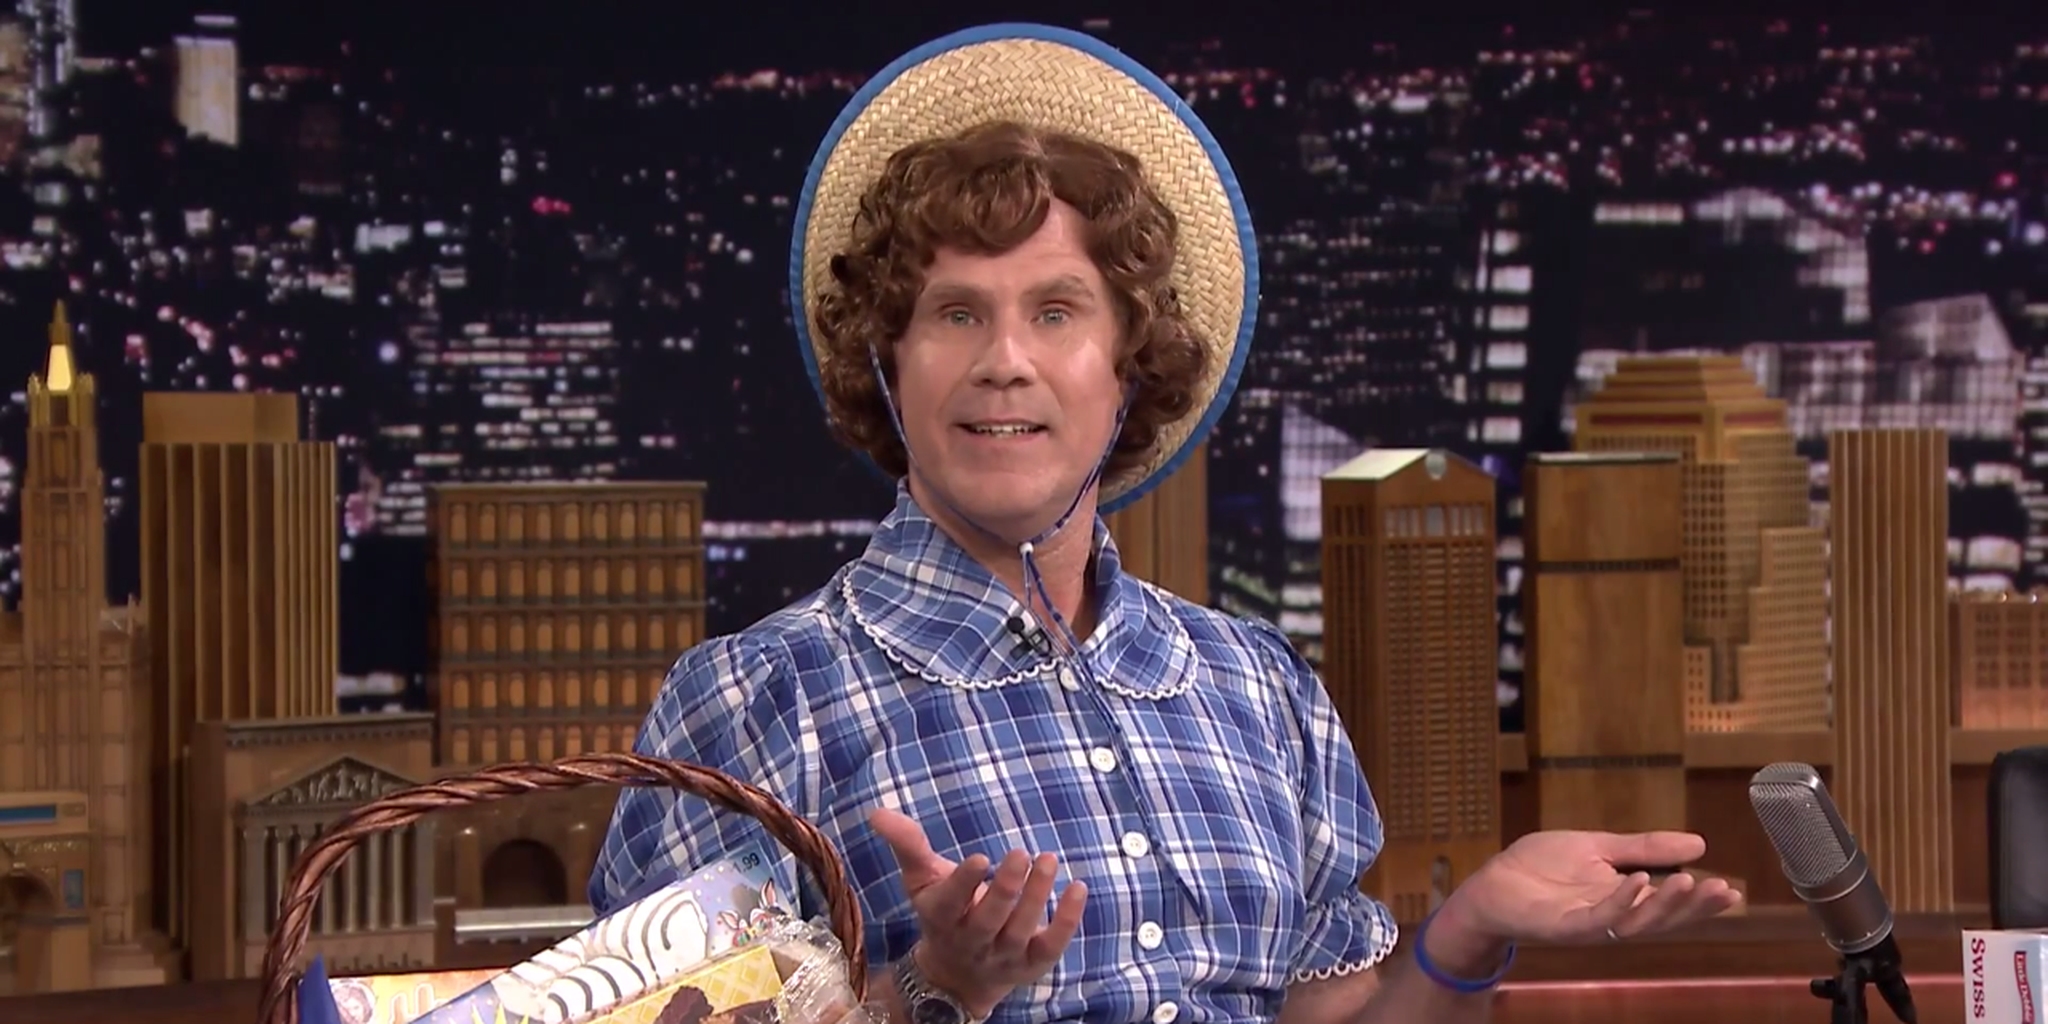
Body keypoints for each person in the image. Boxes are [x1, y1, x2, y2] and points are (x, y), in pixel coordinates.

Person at [591, 23, 1742, 1024]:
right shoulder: (754, 701)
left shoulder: (1254, 690)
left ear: (1130, 367)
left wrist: (1469, 928)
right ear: (887, 368)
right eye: (954, 314)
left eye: (1056, 311)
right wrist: (933, 988)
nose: (1004, 360)